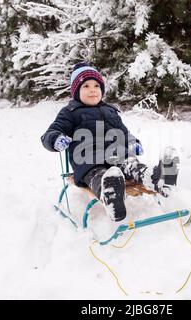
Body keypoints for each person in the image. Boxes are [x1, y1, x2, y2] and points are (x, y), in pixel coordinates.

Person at [41, 62, 179, 222]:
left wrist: (133, 142)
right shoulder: (70, 113)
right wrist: (56, 139)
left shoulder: (110, 111)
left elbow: (123, 131)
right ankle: (110, 193)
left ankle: (158, 179)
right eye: (85, 86)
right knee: (98, 175)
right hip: (88, 161)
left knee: (132, 164)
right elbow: (50, 133)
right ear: (76, 91)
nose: (92, 89)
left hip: (117, 155)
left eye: (96, 86)